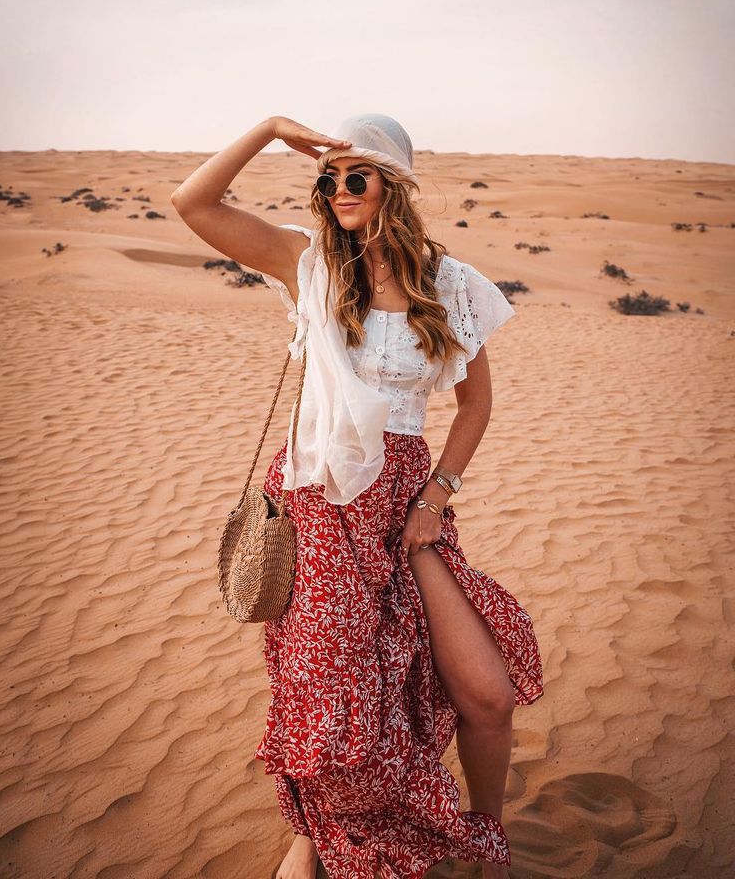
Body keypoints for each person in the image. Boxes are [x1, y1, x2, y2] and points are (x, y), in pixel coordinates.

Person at [170, 114, 544, 879]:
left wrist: (436, 499)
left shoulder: (452, 284)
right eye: (329, 178)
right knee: (333, 706)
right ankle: (317, 838)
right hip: (318, 502)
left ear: (392, 184)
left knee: (487, 692)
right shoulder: (306, 264)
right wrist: (273, 128)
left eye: (357, 176)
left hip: (407, 504)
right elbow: (193, 203)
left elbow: (474, 407)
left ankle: (485, 842)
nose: (339, 190)